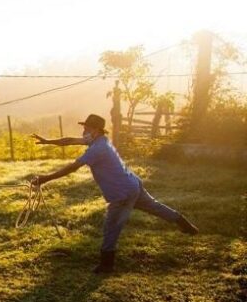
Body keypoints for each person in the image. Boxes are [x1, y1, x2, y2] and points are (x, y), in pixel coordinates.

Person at [30, 114, 198, 273]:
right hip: (132, 184)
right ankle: (187, 226)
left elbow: (73, 167)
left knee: (111, 227)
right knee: (155, 207)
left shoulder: (98, 148)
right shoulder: (100, 141)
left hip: (122, 193)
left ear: (95, 130)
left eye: (86, 129)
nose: (83, 132)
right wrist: (47, 141)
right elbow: (70, 140)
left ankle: (106, 265)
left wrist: (45, 178)